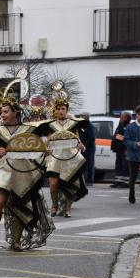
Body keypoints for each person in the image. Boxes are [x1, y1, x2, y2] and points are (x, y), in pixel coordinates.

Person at [0, 70, 55, 251]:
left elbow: (38, 146)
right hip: (4, 170)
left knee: (19, 205)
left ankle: (15, 240)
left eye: (6, 111)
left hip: (23, 172)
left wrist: (45, 151)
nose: (3, 114)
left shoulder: (28, 129)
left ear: (15, 112)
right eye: (2, 111)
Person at [41, 84, 88, 218]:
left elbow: (77, 138)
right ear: (55, 110)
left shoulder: (73, 123)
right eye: (58, 109)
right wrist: (46, 148)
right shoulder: (51, 124)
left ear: (67, 110)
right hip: (55, 155)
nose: (61, 111)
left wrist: (81, 145)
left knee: (70, 182)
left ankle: (68, 208)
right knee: (53, 182)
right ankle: (54, 205)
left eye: (63, 109)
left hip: (70, 155)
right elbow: (49, 139)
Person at [110, 111, 132, 188]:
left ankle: (125, 182)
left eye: (121, 116)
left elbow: (126, 138)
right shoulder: (121, 125)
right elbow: (118, 134)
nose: (120, 118)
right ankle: (118, 181)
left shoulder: (128, 126)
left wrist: (117, 137)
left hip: (124, 149)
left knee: (125, 166)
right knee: (119, 165)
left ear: (125, 118)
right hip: (119, 149)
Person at [78, 112, 96, 185]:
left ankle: (89, 180)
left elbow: (91, 138)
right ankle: (84, 179)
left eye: (82, 117)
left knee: (89, 164)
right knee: (83, 164)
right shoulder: (82, 126)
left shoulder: (90, 126)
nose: (80, 118)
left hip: (89, 148)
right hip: (83, 148)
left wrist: (84, 145)